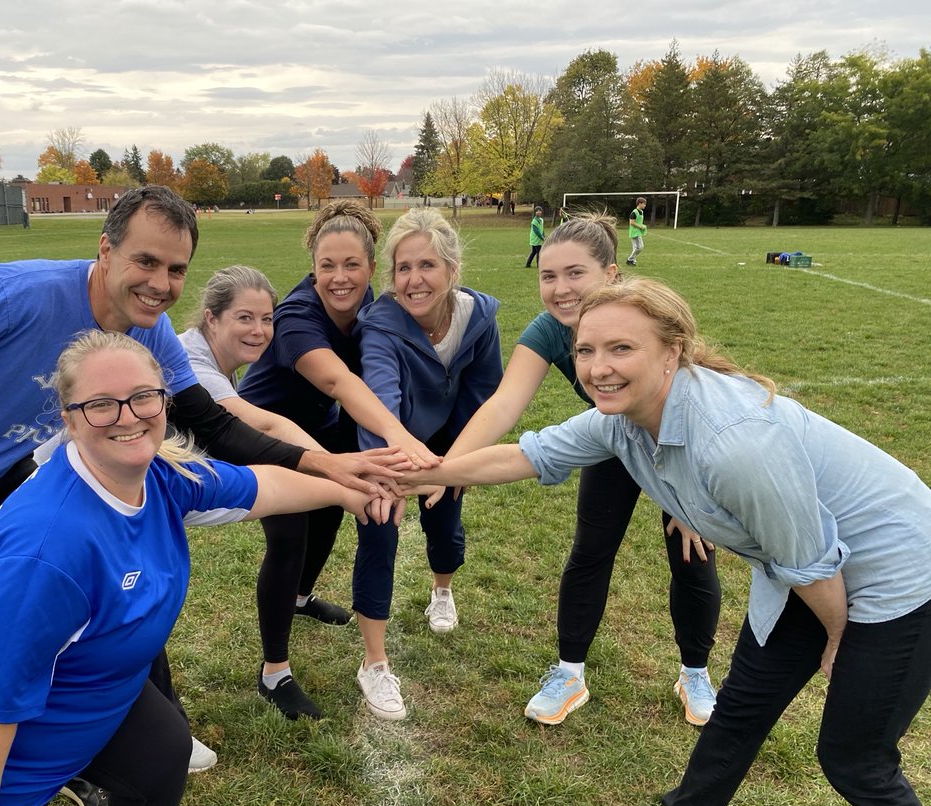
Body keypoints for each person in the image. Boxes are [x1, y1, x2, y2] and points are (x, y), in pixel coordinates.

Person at [0, 184, 395, 806]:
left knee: (98, 601)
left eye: (176, 270)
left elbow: (208, 424)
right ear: (106, 249)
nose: (160, 284)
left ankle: (106, 754)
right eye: (146, 262)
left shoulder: (145, 328)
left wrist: (328, 467)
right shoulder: (19, 294)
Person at [400, 279, 931, 806]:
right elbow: (527, 455)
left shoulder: (732, 442)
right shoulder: (623, 420)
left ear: (672, 352)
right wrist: (425, 473)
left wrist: (839, 640)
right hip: (812, 570)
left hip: (900, 577)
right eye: (585, 351)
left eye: (621, 348)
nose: (598, 369)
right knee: (740, 706)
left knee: (855, 759)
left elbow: (812, 560)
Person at [0, 330, 377, 806]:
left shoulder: (158, 475)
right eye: (100, 404)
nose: (128, 416)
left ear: (165, 401)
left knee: (162, 755)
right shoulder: (49, 549)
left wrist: (346, 492)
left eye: (144, 396)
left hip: (86, 692)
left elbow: (259, 485)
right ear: (68, 419)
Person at [444, 212, 722, 727]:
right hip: (612, 442)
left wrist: (687, 499)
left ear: (612, 274)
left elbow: (695, 406)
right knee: (590, 552)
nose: (560, 288)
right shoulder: (548, 330)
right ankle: (570, 674)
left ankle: (696, 672)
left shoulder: (646, 317)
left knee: (692, 552)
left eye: (576, 273)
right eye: (548, 275)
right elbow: (505, 405)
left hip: (678, 446)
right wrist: (450, 467)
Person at [238, 199, 442, 722]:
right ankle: (274, 673)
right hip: (270, 431)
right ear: (313, 267)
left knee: (331, 513)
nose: (339, 277)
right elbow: (337, 380)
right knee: (290, 535)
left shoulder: (371, 304)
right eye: (327, 265)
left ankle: (302, 598)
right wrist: (397, 437)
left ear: (372, 268)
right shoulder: (296, 316)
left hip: (320, 427)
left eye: (352, 264)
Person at [178, 265, 356, 719]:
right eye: (244, 318)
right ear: (211, 318)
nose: (260, 331)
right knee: (293, 517)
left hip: (181, 468)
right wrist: (343, 475)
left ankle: (295, 605)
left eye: (266, 318)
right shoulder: (192, 364)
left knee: (311, 510)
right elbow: (267, 425)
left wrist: (338, 477)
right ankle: (272, 673)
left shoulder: (215, 356)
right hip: (132, 491)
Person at [352, 207, 504, 718]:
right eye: (403, 268)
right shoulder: (380, 325)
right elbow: (379, 398)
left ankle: (442, 591)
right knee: (379, 525)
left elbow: (482, 398)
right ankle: (373, 663)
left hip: (447, 440)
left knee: (446, 524)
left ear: (452, 270)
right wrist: (391, 472)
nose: (414, 280)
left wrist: (454, 465)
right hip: (389, 439)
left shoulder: (478, 319)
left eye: (427, 265)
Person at [627, 196, 647, 266]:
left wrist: (642, 226)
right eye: (644, 204)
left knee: (636, 247)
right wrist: (640, 227)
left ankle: (632, 261)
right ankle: (630, 259)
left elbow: (639, 221)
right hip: (634, 232)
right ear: (639, 203)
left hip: (638, 232)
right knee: (640, 247)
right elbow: (632, 222)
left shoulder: (641, 212)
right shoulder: (634, 212)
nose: (645, 205)